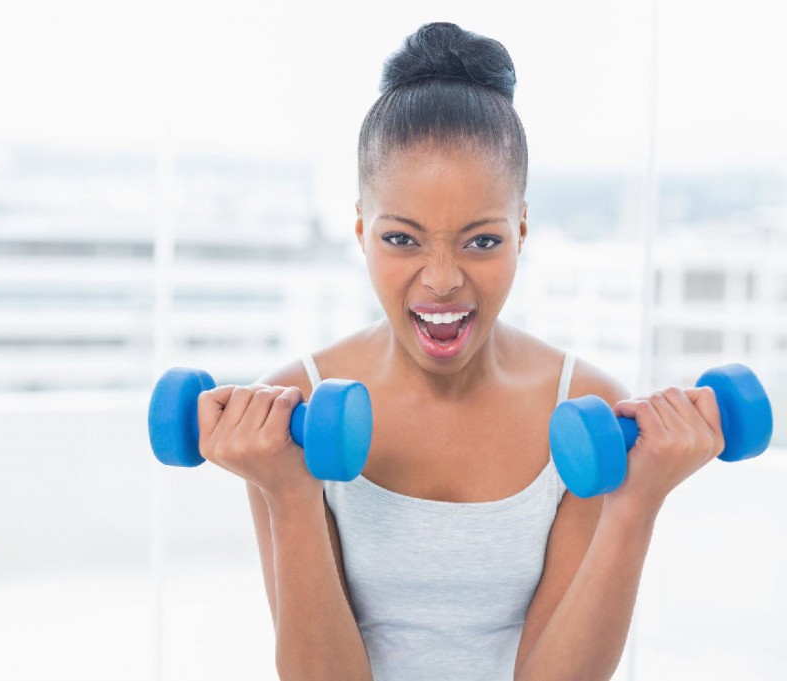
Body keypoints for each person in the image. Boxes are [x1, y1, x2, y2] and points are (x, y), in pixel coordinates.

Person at [195, 22, 724, 681]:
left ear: (521, 229)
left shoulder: (590, 410)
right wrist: (289, 494)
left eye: (480, 241)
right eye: (402, 239)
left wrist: (635, 503)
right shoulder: (284, 415)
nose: (442, 278)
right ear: (361, 231)